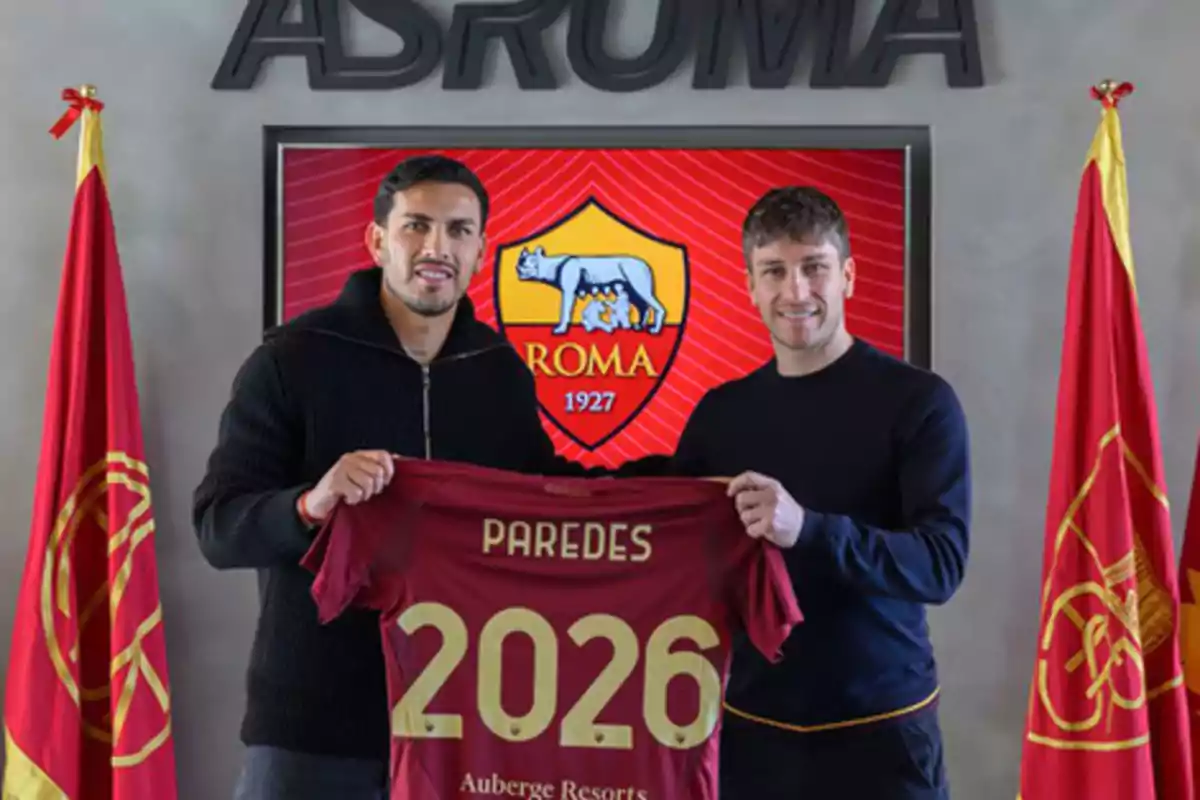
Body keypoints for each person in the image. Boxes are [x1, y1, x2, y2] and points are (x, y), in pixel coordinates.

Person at [192, 155, 661, 800]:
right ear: (377, 239)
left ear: (481, 250)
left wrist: (690, 490)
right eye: (416, 226)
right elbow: (218, 528)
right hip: (313, 731)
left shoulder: (499, 372)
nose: (437, 247)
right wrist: (310, 505)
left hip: (469, 726)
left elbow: (549, 504)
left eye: (459, 230)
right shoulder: (292, 359)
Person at [671, 186, 970, 799]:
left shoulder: (919, 403)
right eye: (775, 271)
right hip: (752, 733)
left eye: (814, 268)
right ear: (751, 285)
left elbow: (940, 566)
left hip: (882, 733)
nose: (796, 291)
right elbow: (667, 539)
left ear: (849, 276)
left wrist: (809, 529)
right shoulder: (720, 415)